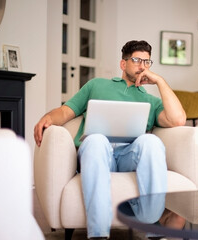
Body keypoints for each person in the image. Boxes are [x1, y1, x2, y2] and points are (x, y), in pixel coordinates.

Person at [34, 40, 186, 239]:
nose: (143, 66)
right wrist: (48, 118)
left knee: (152, 142)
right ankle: (98, 234)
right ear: (123, 64)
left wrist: (160, 82)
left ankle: (152, 224)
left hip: (128, 156)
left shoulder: (151, 101)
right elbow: (66, 111)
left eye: (147, 62)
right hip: (97, 153)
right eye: (137, 60)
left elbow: (178, 120)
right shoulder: (97, 85)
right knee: (96, 140)